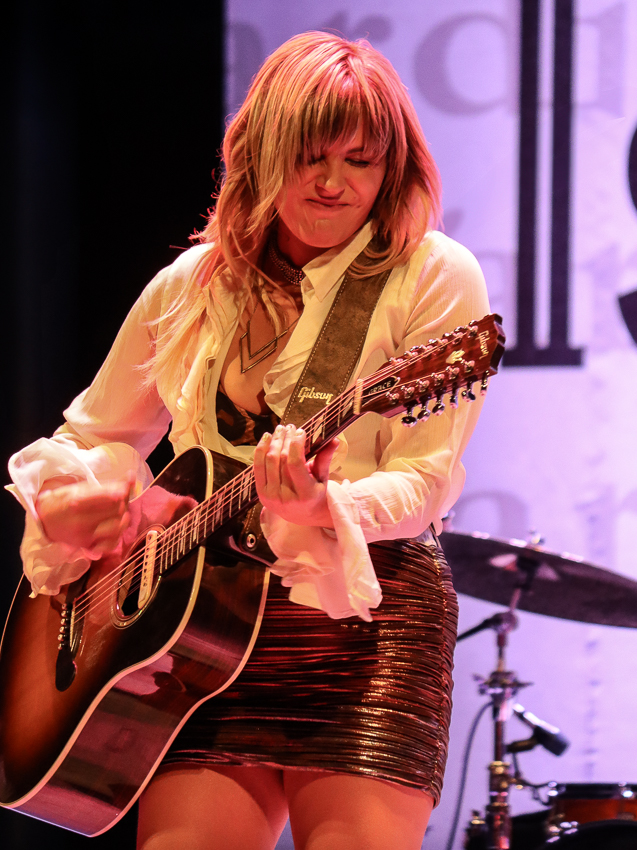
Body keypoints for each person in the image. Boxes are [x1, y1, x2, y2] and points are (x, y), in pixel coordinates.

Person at [8, 32, 490, 850]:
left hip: (360, 620)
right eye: (308, 157)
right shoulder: (189, 285)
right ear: (258, 154)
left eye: (361, 161)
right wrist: (79, 495)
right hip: (191, 635)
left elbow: (423, 480)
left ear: (392, 168)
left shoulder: (431, 274)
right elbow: (97, 434)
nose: (334, 183)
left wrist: (325, 507)